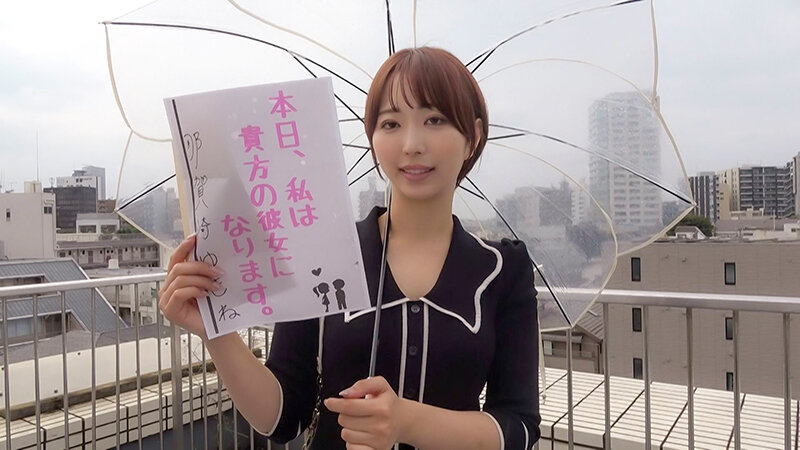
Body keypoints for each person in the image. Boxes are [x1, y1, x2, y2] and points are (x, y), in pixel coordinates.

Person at [159, 46, 541, 449]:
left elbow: (518, 427)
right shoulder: (322, 251)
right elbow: (282, 417)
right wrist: (216, 333)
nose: (411, 144)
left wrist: (407, 422)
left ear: (473, 137)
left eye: (434, 120)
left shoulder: (501, 269)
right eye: (391, 123)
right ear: (372, 138)